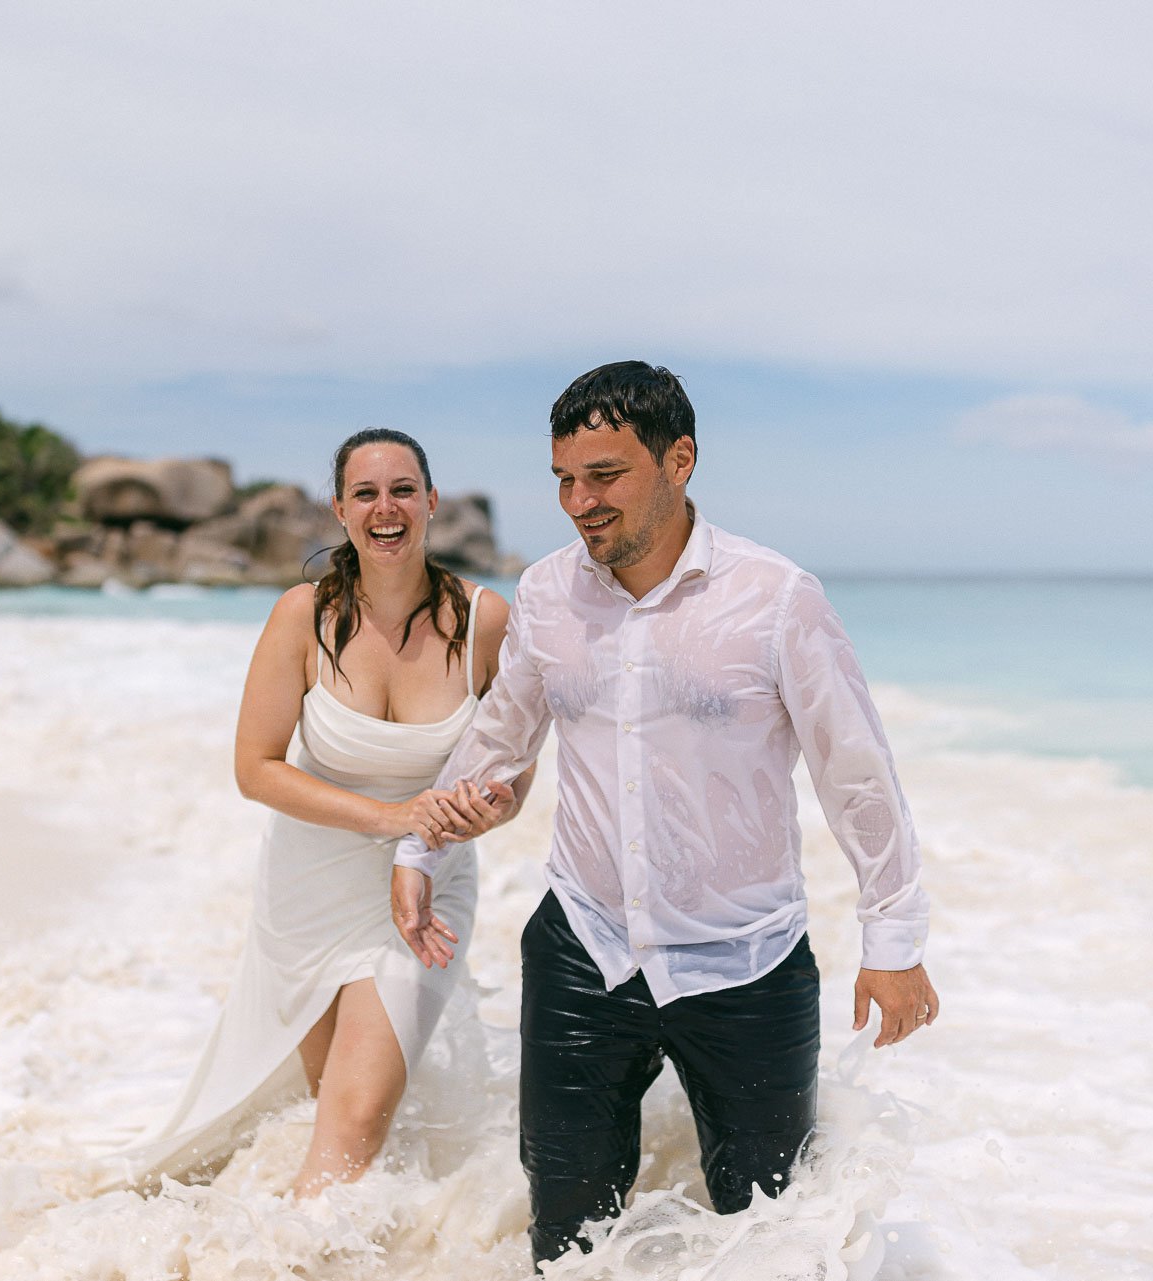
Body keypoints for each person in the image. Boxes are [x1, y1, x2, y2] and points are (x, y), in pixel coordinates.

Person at [390, 361, 939, 1266]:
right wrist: (421, 843)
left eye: (604, 476)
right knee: (565, 1238)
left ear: (679, 459)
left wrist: (895, 940)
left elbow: (858, 773)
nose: (579, 501)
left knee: (769, 1238)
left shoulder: (776, 597)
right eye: (565, 479)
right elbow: (498, 741)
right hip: (586, 947)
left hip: (746, 963)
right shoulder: (547, 593)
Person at [116, 427, 531, 1200]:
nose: (386, 508)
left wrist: (470, 816)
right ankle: (363, 1236)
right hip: (309, 889)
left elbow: (514, 776)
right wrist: (390, 816)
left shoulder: (487, 622)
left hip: (427, 895)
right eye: (366, 493)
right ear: (338, 509)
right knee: (332, 1108)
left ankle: (289, 1254)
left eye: (403, 489)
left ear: (433, 502)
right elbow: (255, 769)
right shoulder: (301, 617)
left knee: (358, 1114)